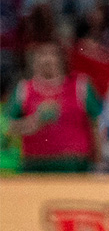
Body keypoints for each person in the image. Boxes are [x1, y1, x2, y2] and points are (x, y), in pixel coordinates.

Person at [5, 42, 104, 173]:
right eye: (42, 54)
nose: (47, 59)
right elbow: (6, 127)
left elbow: (95, 125)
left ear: (62, 59)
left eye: (52, 54)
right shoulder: (24, 89)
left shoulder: (80, 86)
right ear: (33, 61)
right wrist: (35, 121)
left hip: (73, 164)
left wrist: (98, 162)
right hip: (34, 165)